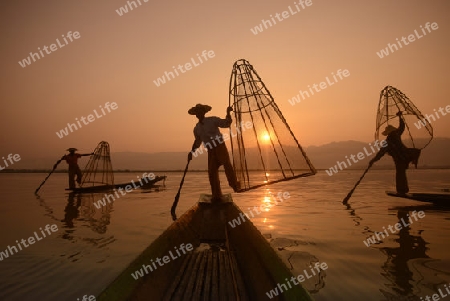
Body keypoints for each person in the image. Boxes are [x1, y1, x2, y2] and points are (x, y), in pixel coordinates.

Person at [188, 104, 240, 201]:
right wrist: (191, 152)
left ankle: (235, 185)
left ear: (204, 112)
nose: (199, 113)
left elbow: (226, 123)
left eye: (201, 111)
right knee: (212, 172)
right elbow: (197, 142)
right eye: (197, 112)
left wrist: (228, 112)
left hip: (220, 146)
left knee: (227, 165)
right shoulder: (197, 128)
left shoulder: (212, 120)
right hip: (210, 150)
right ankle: (216, 195)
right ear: (195, 115)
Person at [369, 111, 421, 194]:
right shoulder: (393, 137)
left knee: (400, 174)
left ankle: (402, 190)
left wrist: (400, 117)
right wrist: (373, 160)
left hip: (402, 157)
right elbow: (380, 154)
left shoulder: (393, 137)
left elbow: (401, 127)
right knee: (401, 173)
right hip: (403, 157)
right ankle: (403, 190)